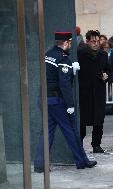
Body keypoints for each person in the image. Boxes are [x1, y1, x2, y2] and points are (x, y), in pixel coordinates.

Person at [34, 30, 96, 173]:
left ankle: (40, 164)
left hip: (44, 99)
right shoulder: (63, 59)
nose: (70, 46)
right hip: (57, 101)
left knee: (46, 133)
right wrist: (70, 105)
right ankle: (82, 161)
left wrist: (70, 71)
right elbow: (64, 84)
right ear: (67, 42)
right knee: (72, 131)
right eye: (69, 43)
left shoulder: (48, 54)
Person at [77, 30, 109, 153]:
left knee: (99, 120)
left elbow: (108, 70)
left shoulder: (103, 55)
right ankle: (79, 145)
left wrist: (106, 75)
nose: (96, 44)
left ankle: (96, 145)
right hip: (84, 92)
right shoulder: (80, 54)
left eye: (97, 41)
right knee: (83, 121)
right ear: (87, 41)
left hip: (99, 91)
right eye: (93, 41)